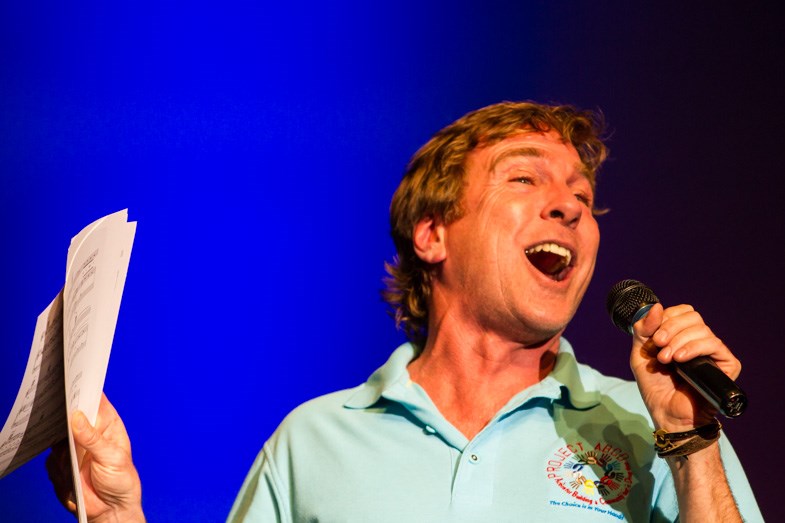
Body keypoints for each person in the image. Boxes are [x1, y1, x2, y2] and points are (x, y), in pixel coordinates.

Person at [48, 101, 762, 522]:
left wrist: (689, 444)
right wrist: (118, 515)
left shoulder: (655, 421)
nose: (568, 204)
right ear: (432, 233)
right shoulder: (312, 441)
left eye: (581, 194)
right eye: (524, 177)